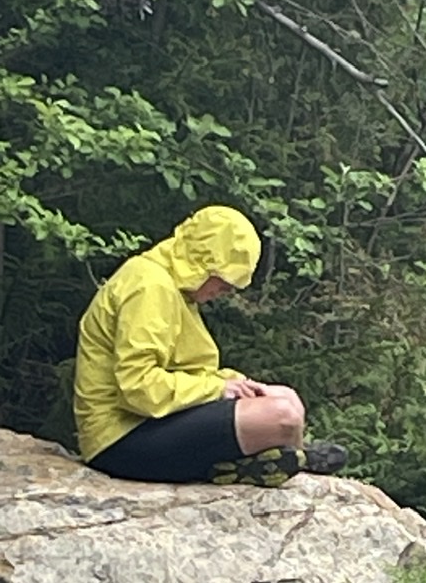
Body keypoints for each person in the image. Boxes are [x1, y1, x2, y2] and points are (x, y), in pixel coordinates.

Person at [74, 205, 346, 487]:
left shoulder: (174, 287)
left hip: (146, 424)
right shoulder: (150, 287)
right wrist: (218, 389)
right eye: (224, 282)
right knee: (282, 416)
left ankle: (265, 462)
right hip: (119, 439)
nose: (224, 292)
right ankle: (268, 461)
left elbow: (182, 370)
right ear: (202, 262)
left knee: (285, 397)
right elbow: (137, 388)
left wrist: (233, 383)